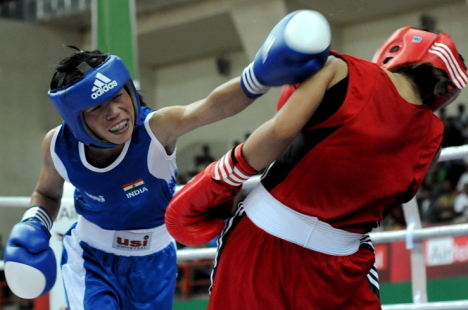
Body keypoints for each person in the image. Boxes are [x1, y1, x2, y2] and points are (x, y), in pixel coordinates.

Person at [3, 10, 330, 310]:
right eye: (98, 108)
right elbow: (47, 193)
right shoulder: (58, 146)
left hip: (155, 259)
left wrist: (258, 77)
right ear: (77, 121)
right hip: (93, 257)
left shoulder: (156, 130)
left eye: (118, 97)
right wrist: (35, 221)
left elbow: (211, 107)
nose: (115, 112)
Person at [165, 25, 467, 309]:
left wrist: (222, 176)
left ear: (396, 50)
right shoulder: (434, 135)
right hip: (342, 261)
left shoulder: (341, 68)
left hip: (264, 240)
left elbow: (279, 132)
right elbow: (397, 195)